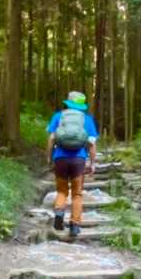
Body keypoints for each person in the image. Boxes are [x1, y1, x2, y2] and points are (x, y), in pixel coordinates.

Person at [46, 91, 98, 239]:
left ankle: (59, 213)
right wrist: (92, 163)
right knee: (77, 193)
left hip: (60, 159)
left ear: (68, 103)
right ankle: (75, 225)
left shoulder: (58, 116)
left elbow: (51, 138)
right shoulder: (87, 119)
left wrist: (49, 157)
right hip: (78, 160)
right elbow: (92, 143)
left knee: (62, 191)